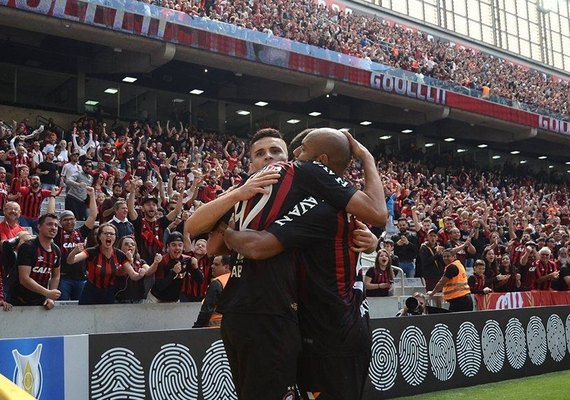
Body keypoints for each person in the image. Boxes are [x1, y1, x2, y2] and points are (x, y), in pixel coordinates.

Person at [219, 128, 385, 400]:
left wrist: (226, 233)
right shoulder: (342, 205)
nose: (293, 159)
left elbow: (257, 246)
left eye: (300, 151)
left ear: (319, 163)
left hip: (331, 336)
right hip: (331, 328)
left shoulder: (318, 207)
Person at [67, 223, 144, 305]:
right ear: (99, 237)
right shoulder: (91, 251)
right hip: (90, 291)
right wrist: (74, 251)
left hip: (109, 292)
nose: (109, 236)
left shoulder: (119, 255)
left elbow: (133, 275)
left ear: (115, 237)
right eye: (106, 233)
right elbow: (70, 261)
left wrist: (140, 274)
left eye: (112, 234)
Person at [55, 187, 98, 301]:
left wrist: (92, 195)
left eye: (71, 219)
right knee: (62, 308)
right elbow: (49, 215)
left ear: (75, 220)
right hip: (64, 278)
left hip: (80, 278)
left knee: (80, 309)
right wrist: (52, 197)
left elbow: (93, 215)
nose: (69, 221)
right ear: (60, 222)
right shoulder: (57, 234)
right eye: (65, 219)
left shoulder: (81, 232)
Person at [11, 213, 61, 309]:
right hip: (20, 301)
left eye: (55, 225)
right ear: (39, 227)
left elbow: (56, 276)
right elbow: (24, 279)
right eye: (49, 224)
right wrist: (47, 292)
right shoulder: (28, 247)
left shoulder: (56, 250)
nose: (53, 228)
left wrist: (50, 298)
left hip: (41, 302)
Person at [145, 232, 202, 303]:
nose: (177, 248)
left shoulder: (186, 260)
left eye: (180, 245)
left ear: (183, 247)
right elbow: (159, 287)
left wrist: (196, 268)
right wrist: (173, 273)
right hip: (156, 299)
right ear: (168, 247)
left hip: (174, 300)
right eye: (174, 245)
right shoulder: (162, 261)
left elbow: (200, 280)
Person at [114, 236, 160, 303]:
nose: (130, 246)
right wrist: (129, 261)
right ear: (120, 248)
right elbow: (121, 272)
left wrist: (155, 262)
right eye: (126, 244)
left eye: (133, 244)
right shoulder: (116, 261)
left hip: (138, 300)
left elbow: (149, 272)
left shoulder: (140, 262)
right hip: (121, 301)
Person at [193, 255, 231, 328]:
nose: (212, 266)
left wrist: (197, 327)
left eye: (216, 264)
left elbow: (207, 309)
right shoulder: (239, 281)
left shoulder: (217, 283)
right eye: (212, 263)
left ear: (226, 267)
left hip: (215, 328)